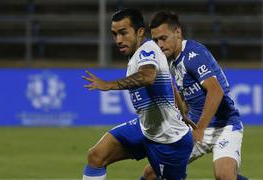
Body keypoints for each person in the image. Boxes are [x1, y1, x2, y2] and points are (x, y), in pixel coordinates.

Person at [81, 9, 193, 180]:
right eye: (114, 34)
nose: (118, 40)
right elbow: (169, 80)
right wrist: (183, 112)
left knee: (152, 175)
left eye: (123, 33)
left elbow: (148, 76)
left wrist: (109, 85)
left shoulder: (147, 50)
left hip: (169, 141)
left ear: (140, 32)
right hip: (145, 128)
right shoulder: (138, 55)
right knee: (97, 155)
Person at [142, 11, 248, 180]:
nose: (159, 44)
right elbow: (184, 96)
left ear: (178, 32)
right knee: (152, 172)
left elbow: (216, 91)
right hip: (195, 127)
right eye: (155, 40)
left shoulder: (193, 56)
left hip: (224, 126)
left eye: (163, 38)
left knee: (224, 176)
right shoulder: (168, 61)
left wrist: (200, 128)